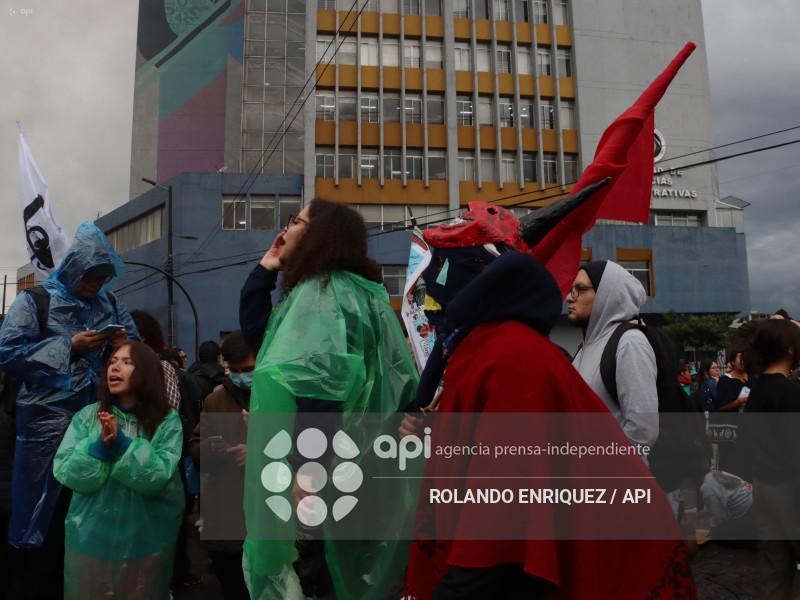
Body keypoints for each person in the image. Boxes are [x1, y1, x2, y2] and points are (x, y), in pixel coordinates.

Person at [400, 202, 696, 599]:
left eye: (439, 271)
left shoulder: (511, 356)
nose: (429, 297)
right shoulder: (488, 347)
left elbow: (501, 516)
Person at [239, 198, 419, 600]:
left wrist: (306, 469)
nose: (287, 228)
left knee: (315, 578)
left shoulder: (324, 294)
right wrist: (265, 270)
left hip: (322, 473)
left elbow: (320, 389)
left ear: (317, 234)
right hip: (356, 466)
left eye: (296, 221)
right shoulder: (353, 293)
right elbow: (265, 343)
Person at [0, 222, 138, 599]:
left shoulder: (110, 305)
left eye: (103, 277)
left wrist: (123, 344)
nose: (96, 284)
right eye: (91, 276)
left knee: (89, 511)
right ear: (74, 267)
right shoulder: (34, 301)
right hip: (45, 429)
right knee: (40, 512)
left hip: (97, 422)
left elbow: (137, 356)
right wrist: (68, 347)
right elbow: (9, 353)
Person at [52, 341, 184, 599]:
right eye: (113, 362)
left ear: (146, 371)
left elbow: (158, 477)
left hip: (147, 541)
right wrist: (99, 447)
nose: (116, 367)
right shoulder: (88, 417)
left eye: (127, 362)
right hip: (90, 540)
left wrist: (123, 445)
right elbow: (68, 473)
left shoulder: (166, 421)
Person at [567, 260, 659, 462]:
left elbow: (643, 430)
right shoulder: (586, 347)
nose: (569, 298)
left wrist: (601, 466)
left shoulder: (629, 343)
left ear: (607, 296)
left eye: (580, 289)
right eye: (570, 289)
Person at [188, 330, 253, 600]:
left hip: (269, 515)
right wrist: (213, 451)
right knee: (233, 588)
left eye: (249, 369)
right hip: (226, 518)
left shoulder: (279, 398)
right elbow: (194, 446)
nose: (241, 376)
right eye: (235, 370)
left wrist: (260, 451)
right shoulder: (216, 401)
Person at [742, 319, 800, 599]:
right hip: (789, 490)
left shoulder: (757, 390)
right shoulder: (790, 393)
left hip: (763, 487)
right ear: (790, 349)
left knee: (774, 572)